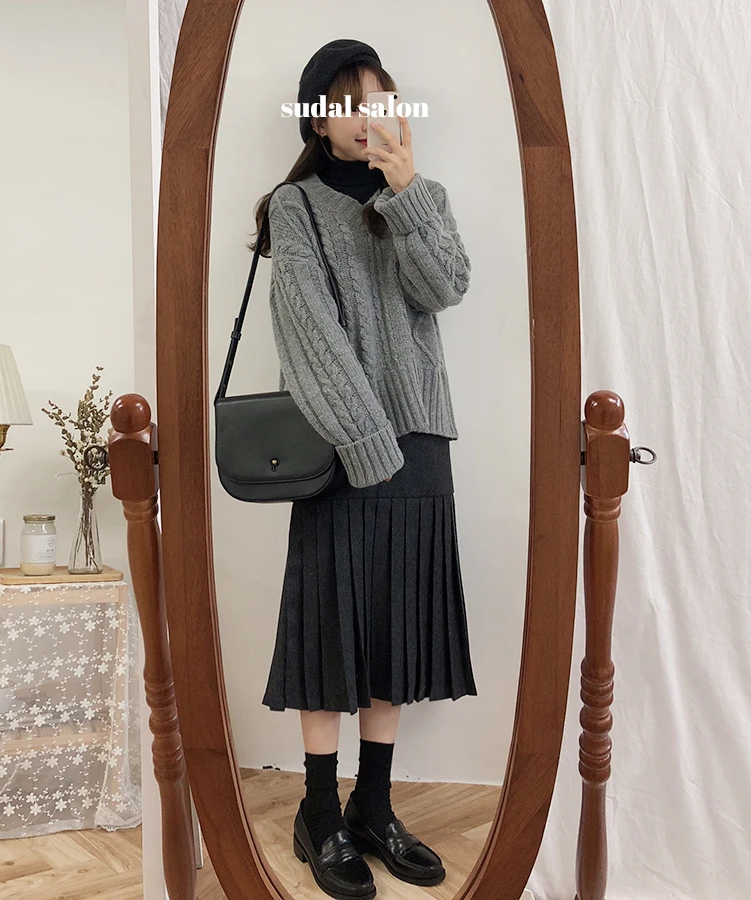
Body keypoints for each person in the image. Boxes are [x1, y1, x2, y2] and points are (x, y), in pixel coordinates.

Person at [249, 38, 477, 900]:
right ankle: (318, 812)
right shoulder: (295, 206)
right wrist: (367, 444)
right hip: (343, 451)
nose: (366, 117)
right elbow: (308, 338)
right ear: (317, 119)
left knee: (394, 629)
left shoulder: (424, 197)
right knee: (329, 630)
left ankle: (373, 806)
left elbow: (445, 288)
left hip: (421, 447)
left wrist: (406, 192)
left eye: (380, 101)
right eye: (348, 103)